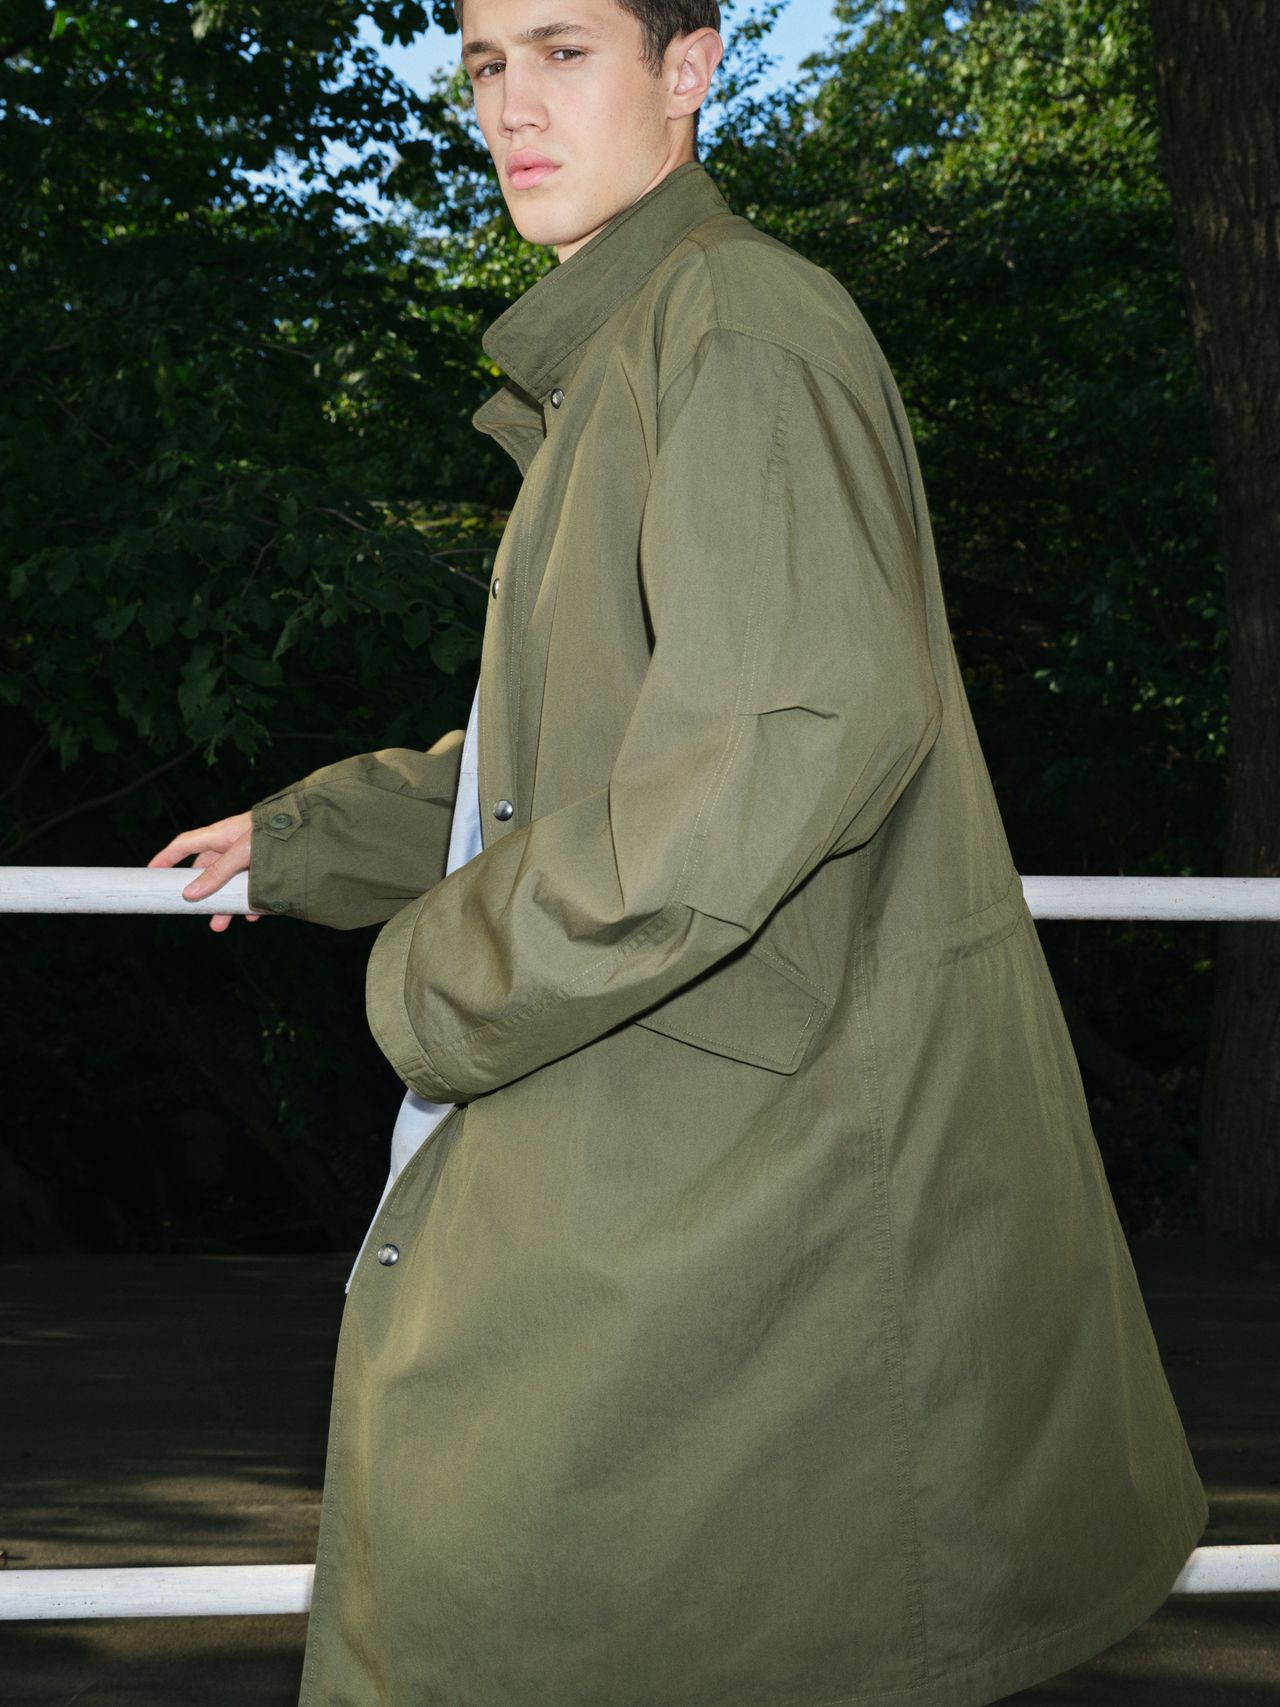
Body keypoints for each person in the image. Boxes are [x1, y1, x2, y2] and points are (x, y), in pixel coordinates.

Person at [149, 2, 1208, 1702]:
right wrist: (304, 840)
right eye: (488, 64)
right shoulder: (631, 354)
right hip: (701, 1128)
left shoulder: (735, 326)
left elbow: (776, 748)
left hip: (740, 1163)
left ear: (692, 65)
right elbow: (571, 761)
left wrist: (430, 980)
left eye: (564, 52)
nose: (511, 106)